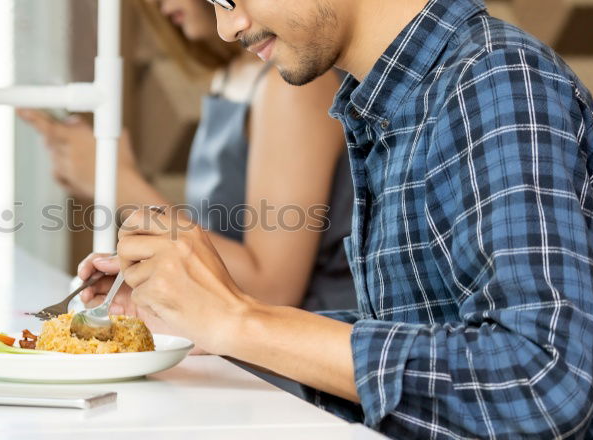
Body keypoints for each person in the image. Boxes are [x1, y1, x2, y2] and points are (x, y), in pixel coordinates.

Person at [77, 0, 593, 437]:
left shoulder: (496, 81)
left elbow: (538, 384)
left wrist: (244, 321)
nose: (229, 26)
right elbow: (429, 337)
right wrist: (205, 325)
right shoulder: (392, 102)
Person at [19, 0, 356, 312]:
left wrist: (121, 186)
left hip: (296, 358)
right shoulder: (230, 79)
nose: (163, 7)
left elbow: (272, 290)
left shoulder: (292, 88)